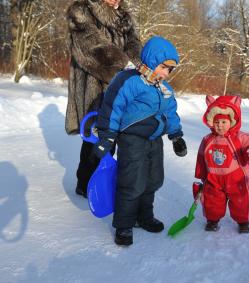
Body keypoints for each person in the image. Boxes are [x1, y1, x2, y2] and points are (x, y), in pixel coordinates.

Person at [92, 36, 187, 246]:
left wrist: (176, 136)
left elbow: (170, 113)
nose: (165, 73)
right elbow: (112, 107)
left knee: (153, 180)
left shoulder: (165, 90)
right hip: (132, 139)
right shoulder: (129, 80)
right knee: (132, 182)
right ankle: (124, 225)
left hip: (154, 140)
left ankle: (144, 217)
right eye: (163, 67)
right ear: (152, 60)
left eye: (169, 70)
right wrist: (107, 136)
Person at [65, 0, 141, 198]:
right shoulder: (80, 11)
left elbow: (134, 44)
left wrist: (142, 65)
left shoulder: (124, 16)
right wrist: (124, 66)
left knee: (113, 137)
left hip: (121, 88)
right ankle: (86, 182)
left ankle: (103, 179)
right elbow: (92, 49)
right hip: (94, 87)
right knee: (95, 137)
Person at [194, 95, 249, 233]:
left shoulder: (240, 137)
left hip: (236, 177)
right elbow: (201, 157)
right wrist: (201, 175)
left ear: (231, 122)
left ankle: (243, 221)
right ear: (211, 122)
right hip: (214, 177)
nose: (220, 125)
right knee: (213, 199)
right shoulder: (207, 139)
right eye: (217, 122)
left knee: (241, 199)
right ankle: (212, 220)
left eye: (224, 122)